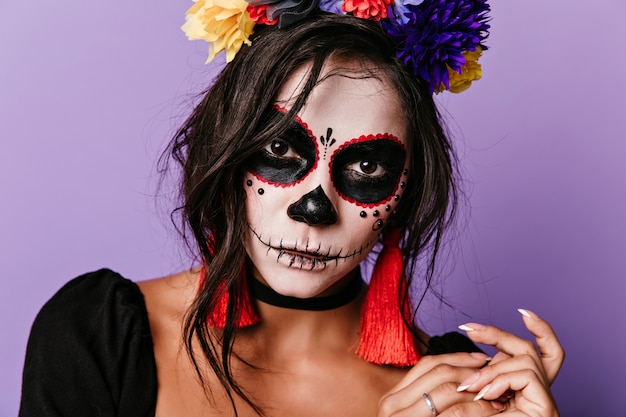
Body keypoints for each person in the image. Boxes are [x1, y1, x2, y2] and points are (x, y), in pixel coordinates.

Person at [19, 1, 564, 416]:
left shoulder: (454, 391)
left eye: (368, 167)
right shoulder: (97, 335)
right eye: (280, 150)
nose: (313, 208)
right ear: (225, 155)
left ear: (407, 192)